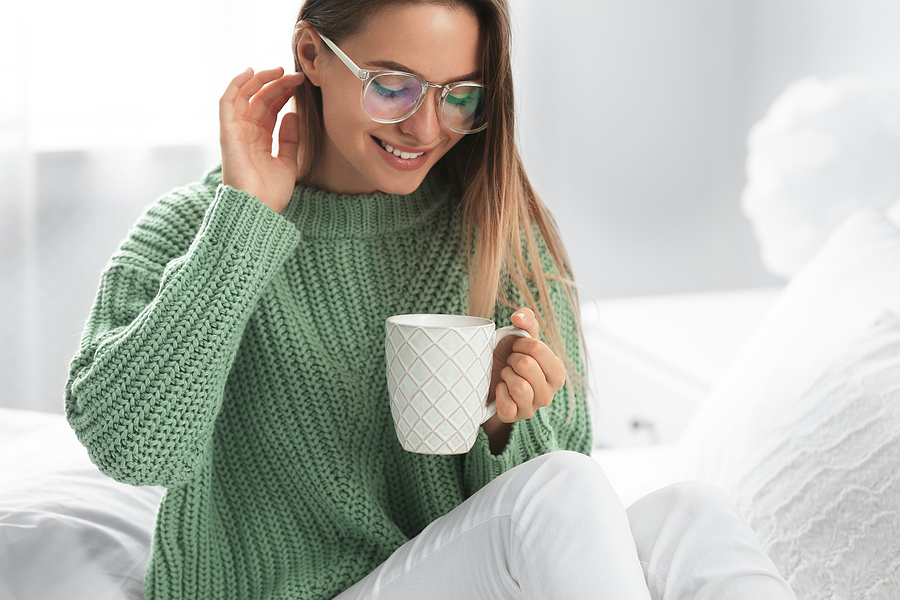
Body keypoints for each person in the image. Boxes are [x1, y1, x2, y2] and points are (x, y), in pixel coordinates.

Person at [65, 0, 796, 598]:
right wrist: (248, 221)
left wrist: (510, 424)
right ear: (312, 56)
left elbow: (554, 527)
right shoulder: (201, 229)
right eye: (393, 85)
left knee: (692, 514)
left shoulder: (496, 228)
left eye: (460, 95)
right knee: (566, 489)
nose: (425, 127)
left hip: (445, 579)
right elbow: (131, 447)